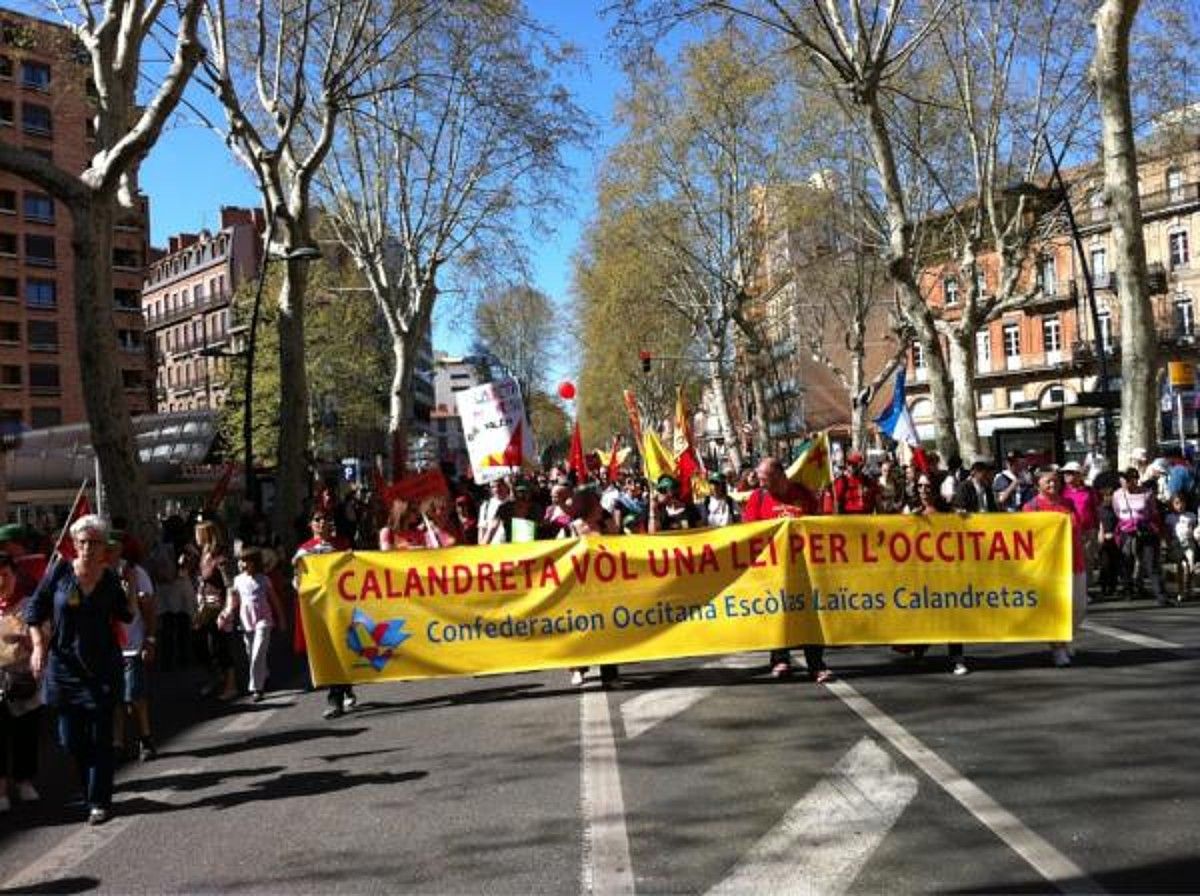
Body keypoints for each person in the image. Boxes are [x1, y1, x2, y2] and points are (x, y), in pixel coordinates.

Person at [26, 515, 135, 825]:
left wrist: (130, 593)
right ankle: (91, 788)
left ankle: (98, 799)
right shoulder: (59, 572)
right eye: (82, 542)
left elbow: (126, 616)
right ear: (74, 545)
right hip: (64, 670)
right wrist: (37, 647)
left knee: (101, 739)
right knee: (70, 739)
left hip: (102, 669)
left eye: (94, 542)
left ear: (104, 548)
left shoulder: (111, 579)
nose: (87, 547)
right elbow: (34, 610)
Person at [742, 457, 833, 683]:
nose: (761, 484)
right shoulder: (758, 498)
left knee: (810, 615)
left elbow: (817, 524)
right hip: (773, 571)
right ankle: (780, 659)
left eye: (765, 480)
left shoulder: (802, 493)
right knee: (777, 613)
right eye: (760, 480)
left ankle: (816, 664)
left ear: (780, 476)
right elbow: (748, 532)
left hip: (804, 569)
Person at [293, 512, 356, 719]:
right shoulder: (304, 550)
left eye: (326, 519)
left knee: (342, 647)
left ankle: (340, 693)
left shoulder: (342, 544)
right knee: (327, 652)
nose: (322, 523)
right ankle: (338, 693)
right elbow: (298, 580)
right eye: (317, 520)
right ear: (311, 524)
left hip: (340, 605)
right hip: (318, 609)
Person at [1023, 468, 1087, 667]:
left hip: (1074, 561)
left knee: (1079, 607)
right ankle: (1057, 648)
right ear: (1038, 484)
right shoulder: (1031, 507)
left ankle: (1066, 637)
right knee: (1055, 610)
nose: (1053, 484)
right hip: (1050, 568)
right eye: (1048, 481)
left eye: (1056, 481)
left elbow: (1079, 526)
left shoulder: (1067, 503)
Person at [906, 472, 969, 675]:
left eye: (927, 486)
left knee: (951, 612)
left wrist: (963, 518)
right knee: (923, 614)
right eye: (920, 486)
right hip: (922, 573)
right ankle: (919, 652)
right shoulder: (913, 510)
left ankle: (957, 657)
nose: (924, 490)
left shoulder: (948, 511)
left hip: (945, 572)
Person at [0, 551, 42, 812]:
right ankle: (1, 788)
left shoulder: (28, 606)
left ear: (15, 576)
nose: (1, 581)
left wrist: (27, 640)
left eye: (5, 575)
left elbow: (46, 639)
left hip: (23, 678)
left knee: (25, 732)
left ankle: (24, 780)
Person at [109, 534, 158, 762]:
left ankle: (145, 738)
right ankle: (117, 743)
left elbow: (148, 608)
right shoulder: (96, 574)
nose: (108, 552)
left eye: (113, 547)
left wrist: (150, 639)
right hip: (107, 648)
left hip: (132, 645)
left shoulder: (137, 573)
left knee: (135, 696)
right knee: (115, 699)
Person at [567, 488, 618, 688]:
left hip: (605, 586)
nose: (601, 507)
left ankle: (611, 675)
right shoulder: (572, 528)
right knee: (581, 629)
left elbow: (621, 543)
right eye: (597, 503)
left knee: (607, 630)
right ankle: (578, 669)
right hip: (581, 587)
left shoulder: (606, 524)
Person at [230, 548, 287, 701]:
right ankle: (264, 674)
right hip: (246, 620)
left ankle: (257, 688)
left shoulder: (263, 579)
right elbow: (233, 600)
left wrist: (281, 619)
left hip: (264, 620)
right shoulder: (238, 580)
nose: (242, 564)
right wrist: (227, 612)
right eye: (240, 561)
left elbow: (274, 600)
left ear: (254, 563)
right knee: (251, 653)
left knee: (257, 653)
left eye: (245, 561)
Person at [192, 519, 238, 701]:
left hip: (218, 606)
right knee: (200, 645)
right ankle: (215, 676)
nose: (195, 537)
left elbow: (229, 585)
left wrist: (227, 609)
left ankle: (231, 685)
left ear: (206, 535)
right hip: (204, 605)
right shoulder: (202, 555)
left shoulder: (220, 558)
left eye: (197, 533)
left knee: (219, 646)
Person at [1112, 467, 1166, 602]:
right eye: (1123, 480)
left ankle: (1160, 594)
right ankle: (1127, 591)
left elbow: (1153, 512)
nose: (1125, 483)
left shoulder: (1147, 493)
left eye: (1129, 480)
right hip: (1127, 531)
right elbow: (1117, 511)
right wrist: (1127, 523)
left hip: (1145, 530)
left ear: (1135, 480)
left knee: (1150, 562)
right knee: (1126, 562)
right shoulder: (1117, 494)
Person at [1163, 492, 1196, 604]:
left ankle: (1188, 588)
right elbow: (1167, 533)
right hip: (1176, 543)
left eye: (1182, 503)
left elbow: (1195, 530)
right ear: (1172, 504)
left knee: (1190, 566)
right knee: (1181, 565)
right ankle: (1181, 591)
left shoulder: (1191, 515)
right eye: (1177, 503)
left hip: (1189, 543)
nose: (1180, 505)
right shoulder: (1170, 517)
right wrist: (1168, 544)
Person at [477, 479, 514, 545]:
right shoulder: (485, 506)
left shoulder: (514, 503)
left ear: (506, 486)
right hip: (493, 550)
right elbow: (481, 532)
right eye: (493, 487)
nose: (496, 489)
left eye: (499, 485)